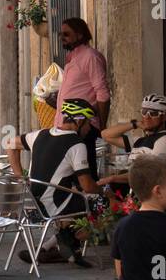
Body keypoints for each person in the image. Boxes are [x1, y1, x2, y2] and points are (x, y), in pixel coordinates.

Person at [7, 98, 100, 268]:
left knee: (76, 199)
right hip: (52, 207)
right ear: (79, 121)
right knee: (103, 204)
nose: (89, 128)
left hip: (31, 206)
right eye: (89, 123)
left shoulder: (40, 134)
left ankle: (48, 248)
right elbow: (87, 185)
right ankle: (67, 244)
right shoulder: (77, 145)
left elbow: (9, 143)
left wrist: (21, 178)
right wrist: (103, 189)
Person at [99, 93, 166, 190]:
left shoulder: (164, 140)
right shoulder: (139, 141)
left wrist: (114, 178)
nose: (147, 117)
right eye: (144, 111)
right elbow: (106, 135)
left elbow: (153, 172)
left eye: (153, 113)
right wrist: (135, 124)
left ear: (164, 117)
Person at [53, 17, 110, 132]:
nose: (62, 38)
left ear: (79, 35)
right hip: (65, 125)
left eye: (66, 34)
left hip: (82, 126)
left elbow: (102, 93)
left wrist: (102, 127)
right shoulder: (71, 58)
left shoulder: (90, 56)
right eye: (60, 34)